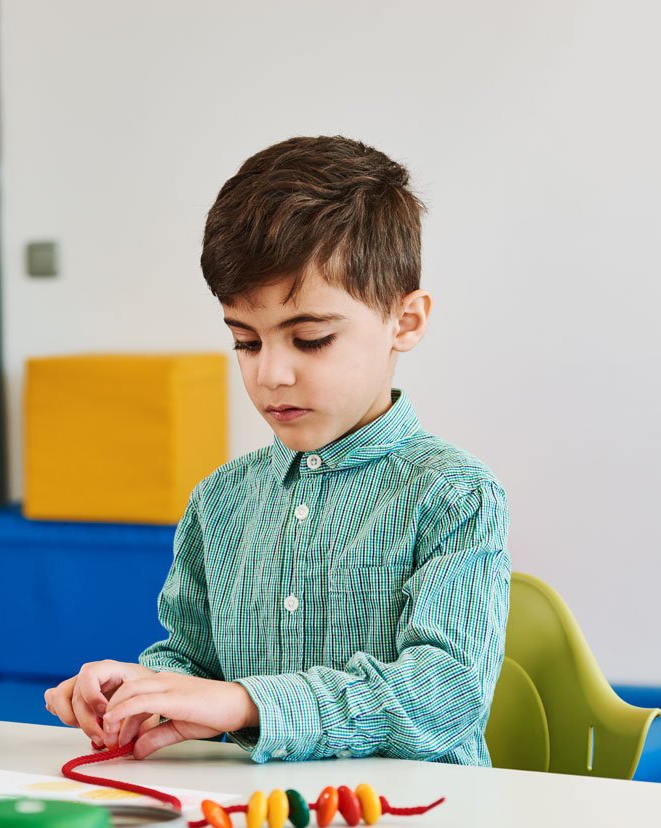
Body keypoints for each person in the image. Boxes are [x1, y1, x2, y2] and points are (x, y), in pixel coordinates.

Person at [45, 136, 510, 767]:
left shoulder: (453, 496)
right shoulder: (221, 500)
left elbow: (446, 698)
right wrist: (140, 694)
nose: (271, 375)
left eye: (310, 340)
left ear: (405, 322)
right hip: (252, 822)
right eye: (246, 341)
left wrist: (247, 704)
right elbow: (193, 660)